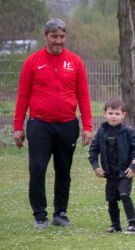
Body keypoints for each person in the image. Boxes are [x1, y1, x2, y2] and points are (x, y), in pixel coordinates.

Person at [13, 18, 92, 230]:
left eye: (62, 36)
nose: (58, 41)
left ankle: (60, 214)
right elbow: (23, 95)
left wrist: (87, 126)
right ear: (46, 37)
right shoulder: (32, 62)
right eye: (54, 36)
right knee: (37, 169)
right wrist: (18, 127)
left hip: (67, 125)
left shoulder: (75, 62)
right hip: (40, 126)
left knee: (64, 171)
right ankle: (40, 216)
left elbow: (83, 95)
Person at [88, 98, 135, 234]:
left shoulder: (128, 131)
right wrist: (96, 167)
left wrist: (133, 167)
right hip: (110, 174)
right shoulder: (101, 132)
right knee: (111, 199)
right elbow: (93, 151)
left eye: (117, 114)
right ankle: (115, 225)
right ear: (104, 114)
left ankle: (132, 224)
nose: (113, 116)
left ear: (123, 115)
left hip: (125, 172)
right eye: (111, 113)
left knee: (124, 194)